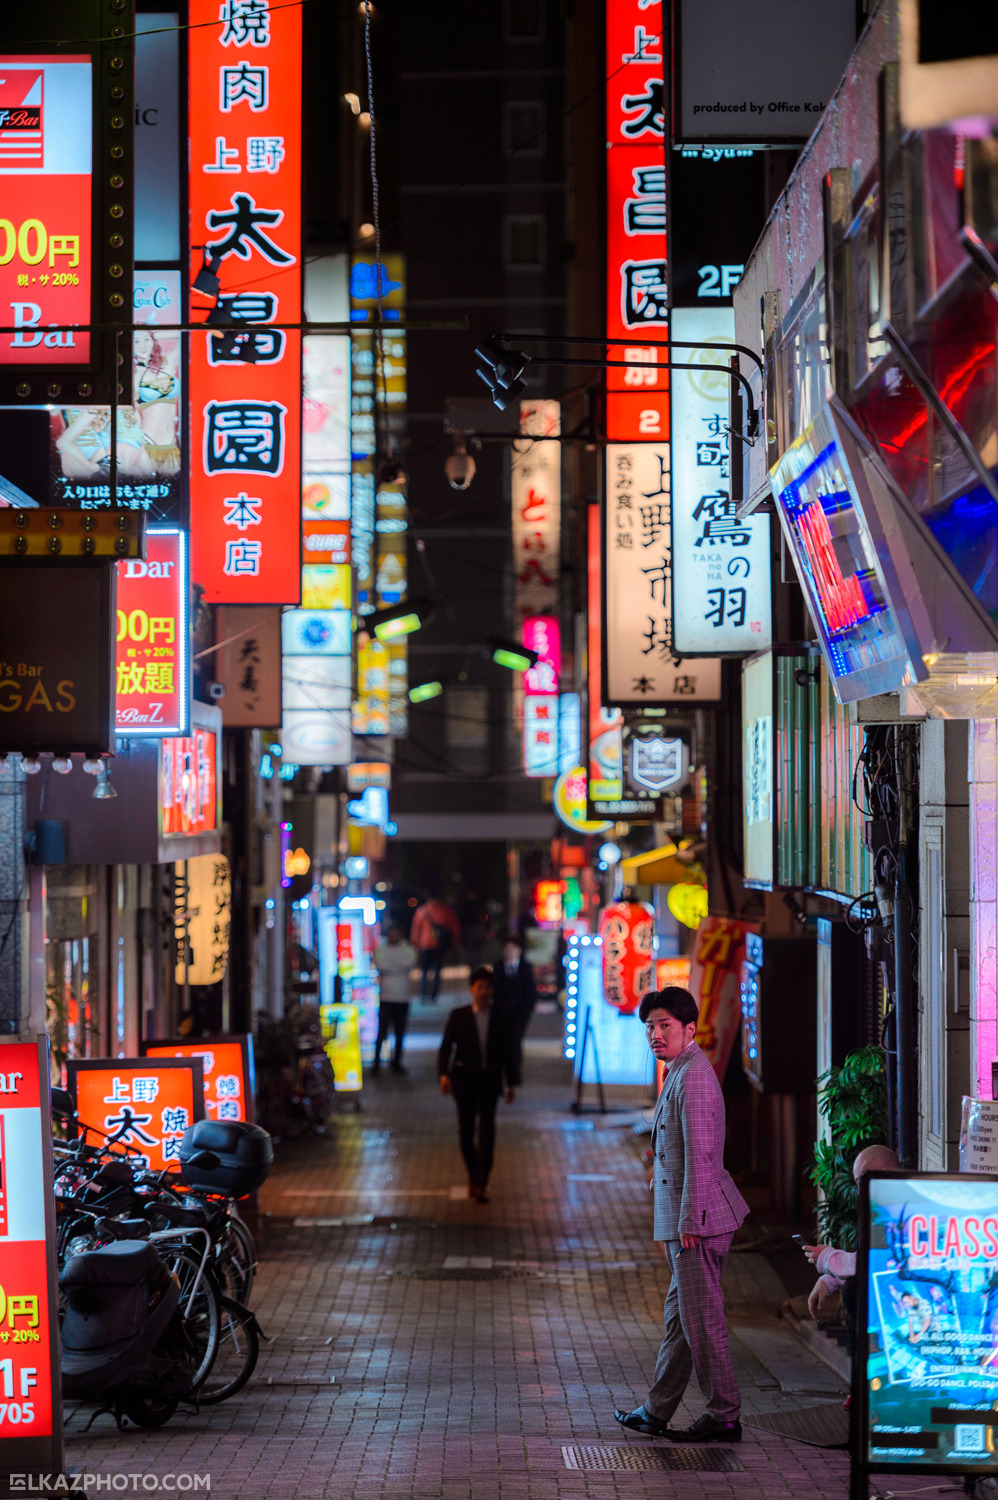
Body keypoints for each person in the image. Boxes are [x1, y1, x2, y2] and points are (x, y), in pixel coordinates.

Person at [615, 986, 749, 1444]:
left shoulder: (692, 1074)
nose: (655, 1034)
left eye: (664, 1025)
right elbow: (679, 1148)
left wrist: (692, 1218)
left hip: (699, 1223)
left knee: (701, 1322)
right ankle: (656, 1410)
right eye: (650, 1027)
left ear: (689, 1029)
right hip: (692, 1218)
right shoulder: (680, 1069)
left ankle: (724, 1414)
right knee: (681, 1321)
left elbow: (703, 1153)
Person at [437, 965, 520, 1204]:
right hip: (463, 1080)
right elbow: (446, 1048)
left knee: (487, 1131)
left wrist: (511, 1082)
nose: (483, 992)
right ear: (472, 989)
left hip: (490, 1080)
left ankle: (481, 1181)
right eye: (479, 987)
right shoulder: (459, 1015)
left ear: (493, 990)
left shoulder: (501, 1018)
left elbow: (508, 1052)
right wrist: (443, 1075)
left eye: (487, 987)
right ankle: (474, 1174)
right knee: (465, 1132)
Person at [805, 1144, 900, 1319]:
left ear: (882, 1173)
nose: (858, 1192)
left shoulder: (903, 1212)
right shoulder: (882, 1211)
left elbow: (875, 1262)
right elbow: (864, 1259)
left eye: (860, 1182)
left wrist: (828, 1259)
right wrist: (829, 1280)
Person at [372, 924, 416, 1074]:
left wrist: (390, 967)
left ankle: (396, 1062)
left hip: (402, 998)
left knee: (400, 1031)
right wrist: (397, 967)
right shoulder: (381, 950)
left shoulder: (408, 950)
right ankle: (376, 1063)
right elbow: (380, 965)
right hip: (386, 997)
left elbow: (409, 963)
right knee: (382, 1031)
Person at [410, 894, 461, 1002]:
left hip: (425, 944)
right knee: (437, 970)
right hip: (439, 945)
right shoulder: (445, 910)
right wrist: (455, 943)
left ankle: (424, 994)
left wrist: (415, 945)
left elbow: (416, 929)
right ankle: (433, 995)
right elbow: (454, 926)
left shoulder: (422, 910)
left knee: (424, 971)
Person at [491, 931, 537, 1045]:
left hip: (521, 1010)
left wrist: (527, 1006)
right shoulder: (498, 966)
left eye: (512, 948)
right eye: (507, 948)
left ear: (519, 950)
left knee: (516, 1039)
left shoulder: (526, 967)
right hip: (502, 1010)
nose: (509, 951)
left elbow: (530, 990)